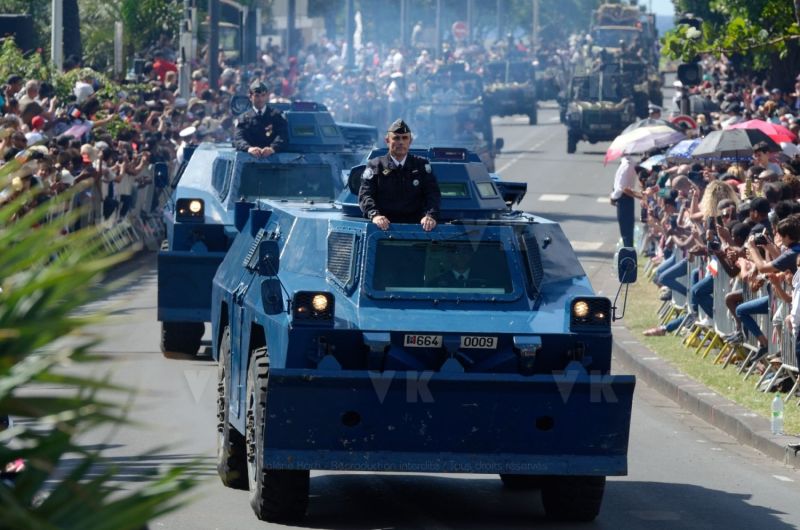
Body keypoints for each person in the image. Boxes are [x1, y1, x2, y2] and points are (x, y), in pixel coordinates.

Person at [358, 119, 441, 231]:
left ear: (410, 141)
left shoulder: (421, 165)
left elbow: (433, 194)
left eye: (405, 138)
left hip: (416, 227)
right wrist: (375, 215)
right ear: (387, 140)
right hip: (384, 227)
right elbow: (365, 195)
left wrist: (430, 216)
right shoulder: (375, 166)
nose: (401, 142)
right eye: (396, 138)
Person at [232, 80, 288, 157]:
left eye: (263, 95)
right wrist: (249, 149)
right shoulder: (243, 119)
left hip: (273, 158)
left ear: (267, 96)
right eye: (257, 96)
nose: (260, 99)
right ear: (250, 97)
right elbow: (238, 138)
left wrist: (272, 148)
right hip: (249, 160)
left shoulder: (276, 116)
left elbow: (283, 135)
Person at [610, 155, 638, 247]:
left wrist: (613, 197)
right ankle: (628, 248)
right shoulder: (630, 163)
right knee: (628, 228)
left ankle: (628, 250)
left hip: (624, 198)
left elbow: (621, 187)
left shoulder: (626, 166)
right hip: (627, 198)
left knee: (625, 228)